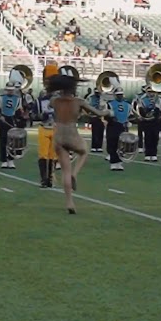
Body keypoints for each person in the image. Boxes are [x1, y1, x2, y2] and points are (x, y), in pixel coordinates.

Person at [45, 65, 108, 214]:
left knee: (64, 170)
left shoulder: (55, 101)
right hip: (71, 133)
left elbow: (50, 106)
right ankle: (76, 173)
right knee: (84, 151)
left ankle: (69, 203)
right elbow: (97, 113)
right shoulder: (79, 101)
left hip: (59, 134)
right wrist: (107, 112)